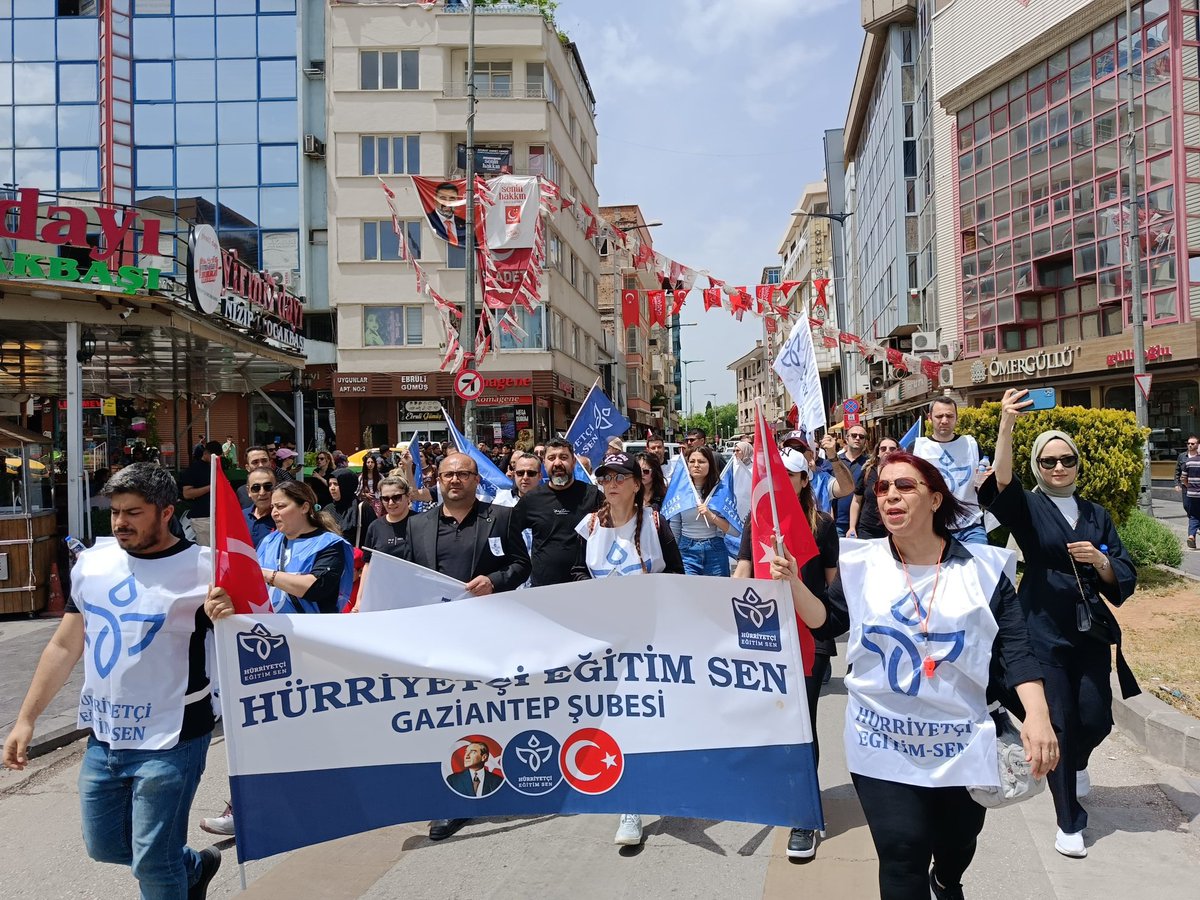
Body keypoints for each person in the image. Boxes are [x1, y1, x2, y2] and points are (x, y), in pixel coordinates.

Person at [775, 449, 1057, 900]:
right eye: (882, 489)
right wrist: (792, 583)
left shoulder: (984, 571)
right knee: (902, 850)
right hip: (880, 739)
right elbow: (827, 621)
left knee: (956, 844)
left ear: (936, 499)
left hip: (960, 740)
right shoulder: (860, 564)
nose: (890, 496)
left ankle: (947, 881)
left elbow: (1016, 650)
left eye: (905, 486)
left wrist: (1039, 717)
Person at [2, 464, 223, 899]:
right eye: (115, 511)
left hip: (174, 736)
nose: (119, 522)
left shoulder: (204, 570)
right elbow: (65, 646)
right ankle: (193, 866)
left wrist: (230, 613)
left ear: (166, 513)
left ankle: (174, 872)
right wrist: (26, 719)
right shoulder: (94, 564)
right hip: (105, 734)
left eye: (133, 512)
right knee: (104, 847)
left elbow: (255, 633)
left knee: (155, 865)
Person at [980, 388, 1139, 860]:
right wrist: (1007, 424)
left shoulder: (1097, 514)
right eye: (1047, 461)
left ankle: (1078, 763)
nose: (1058, 468)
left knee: (1096, 717)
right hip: (1040, 626)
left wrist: (1101, 560)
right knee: (1061, 723)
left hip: (1088, 628)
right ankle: (1069, 820)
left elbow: (1122, 573)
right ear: (1037, 466)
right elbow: (1001, 485)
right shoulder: (1028, 507)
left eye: (1066, 460)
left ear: (1077, 463)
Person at [199, 480, 353, 838]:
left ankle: (327, 798)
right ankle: (242, 809)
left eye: (282, 505)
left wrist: (264, 574)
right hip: (265, 648)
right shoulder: (268, 541)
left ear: (305, 507)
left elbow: (317, 587)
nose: (274, 512)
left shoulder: (330, 545)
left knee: (310, 731)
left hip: (312, 650)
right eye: (273, 506)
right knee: (258, 730)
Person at [402, 453, 530, 841]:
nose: (455, 480)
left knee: (484, 712)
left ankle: (487, 783)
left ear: (477, 479)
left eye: (462, 474)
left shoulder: (501, 518)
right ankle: (452, 797)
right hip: (436, 638)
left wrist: (495, 580)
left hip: (487, 633)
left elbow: (521, 565)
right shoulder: (418, 524)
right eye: (448, 475)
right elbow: (406, 576)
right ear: (437, 480)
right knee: (445, 714)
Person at [571, 453, 684, 846]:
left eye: (621, 476)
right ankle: (630, 805)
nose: (612, 482)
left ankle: (666, 781)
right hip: (605, 643)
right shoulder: (588, 526)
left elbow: (678, 574)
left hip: (650, 639)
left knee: (649, 718)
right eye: (606, 476)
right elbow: (576, 573)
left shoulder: (654, 523)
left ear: (638, 484)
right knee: (619, 720)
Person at [733, 446, 838, 859]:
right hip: (763, 639)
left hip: (808, 639)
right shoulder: (754, 522)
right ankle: (781, 792)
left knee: (802, 725)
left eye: (787, 477)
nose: (778, 486)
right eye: (772, 479)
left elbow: (832, 591)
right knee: (772, 723)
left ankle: (804, 816)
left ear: (802, 480)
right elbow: (742, 571)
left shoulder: (823, 525)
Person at [511, 439, 600, 587]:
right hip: (544, 589)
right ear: (544, 464)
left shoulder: (592, 495)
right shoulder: (532, 499)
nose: (557, 463)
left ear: (573, 463)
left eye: (563, 457)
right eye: (551, 458)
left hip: (585, 586)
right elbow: (509, 533)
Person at [912, 397, 988, 544]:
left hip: (970, 527)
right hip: (931, 527)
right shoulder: (916, 448)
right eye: (939, 416)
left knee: (982, 564)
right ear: (929, 418)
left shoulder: (971, 444)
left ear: (956, 418)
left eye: (949, 416)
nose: (944, 420)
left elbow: (982, 482)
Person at [669, 445, 732, 576]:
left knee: (717, 594)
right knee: (689, 594)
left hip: (715, 549)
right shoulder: (679, 491)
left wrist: (711, 516)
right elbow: (675, 526)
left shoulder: (721, 491)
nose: (696, 465)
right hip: (686, 551)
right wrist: (672, 556)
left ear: (710, 464)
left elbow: (734, 531)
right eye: (692, 461)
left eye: (702, 461)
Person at [780, 431, 854, 515]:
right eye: (788, 448)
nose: (793, 453)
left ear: (811, 454)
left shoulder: (822, 480)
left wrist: (833, 456)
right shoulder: (775, 480)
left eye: (799, 449)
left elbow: (847, 488)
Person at [848, 436, 900, 539]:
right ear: (878, 453)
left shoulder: (903, 472)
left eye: (892, 449)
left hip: (895, 530)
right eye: (883, 449)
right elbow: (857, 501)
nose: (887, 451)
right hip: (868, 529)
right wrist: (852, 527)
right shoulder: (868, 471)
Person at [361, 475, 413, 563]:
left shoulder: (422, 523)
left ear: (408, 496)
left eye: (396, 497)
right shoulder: (375, 527)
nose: (391, 503)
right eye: (385, 498)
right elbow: (368, 563)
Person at [180, 439, 222, 545]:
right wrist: (211, 487)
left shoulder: (217, 468)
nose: (216, 459)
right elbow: (187, 493)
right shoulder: (194, 469)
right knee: (207, 552)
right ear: (206, 453)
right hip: (203, 517)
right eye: (214, 456)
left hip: (218, 515)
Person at [328, 467, 377, 548]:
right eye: (330, 484)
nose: (332, 488)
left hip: (355, 557)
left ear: (346, 485)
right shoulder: (328, 509)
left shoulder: (362, 508)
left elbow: (373, 536)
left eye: (336, 484)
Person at [834, 425, 869, 536]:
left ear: (865, 441)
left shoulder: (869, 464)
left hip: (862, 524)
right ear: (847, 438)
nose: (857, 438)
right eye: (854, 435)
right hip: (837, 522)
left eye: (861, 436)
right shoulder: (835, 463)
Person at [243, 467, 278, 548]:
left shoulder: (283, 519)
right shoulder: (239, 517)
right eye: (256, 488)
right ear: (248, 491)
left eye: (268, 487)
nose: (262, 493)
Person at [428, 180, 469, 245]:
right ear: (435, 201)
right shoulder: (428, 221)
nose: (447, 203)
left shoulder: (465, 224)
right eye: (443, 198)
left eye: (452, 198)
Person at [1177, 435, 1200, 549]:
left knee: (1193, 516)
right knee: (1193, 514)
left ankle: (1191, 536)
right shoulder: (1183, 457)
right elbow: (1178, 473)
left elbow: (1183, 478)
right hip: (1191, 492)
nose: (1190, 445)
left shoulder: (1189, 462)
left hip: (1191, 493)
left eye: (1193, 444)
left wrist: (1189, 486)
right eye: (1188, 443)